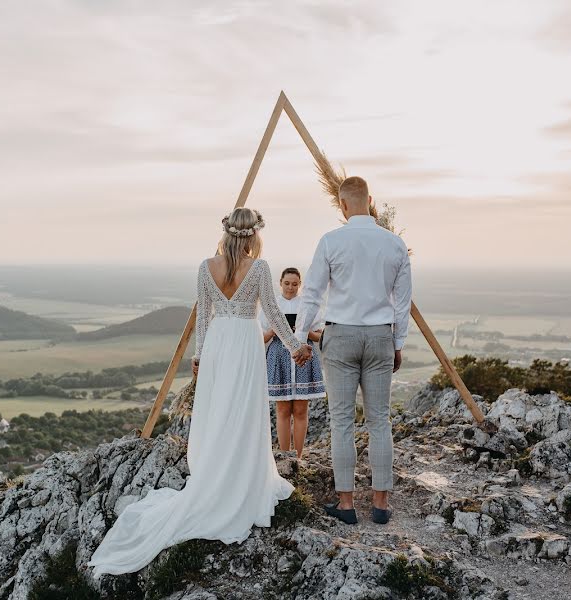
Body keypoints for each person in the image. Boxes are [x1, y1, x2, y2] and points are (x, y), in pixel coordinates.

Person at [88, 207, 313, 577]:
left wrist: (200, 356)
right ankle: (242, 477)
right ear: (253, 235)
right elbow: (273, 313)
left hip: (220, 344)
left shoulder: (205, 266)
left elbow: (205, 317)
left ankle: (217, 473)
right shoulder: (258, 267)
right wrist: (295, 347)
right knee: (242, 413)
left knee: (219, 411)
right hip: (244, 342)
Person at [294, 176, 412, 526]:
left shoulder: (331, 241)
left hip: (340, 337)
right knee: (380, 421)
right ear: (370, 201)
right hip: (379, 336)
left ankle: (346, 504)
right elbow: (402, 302)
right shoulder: (395, 244)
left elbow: (312, 292)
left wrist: (301, 336)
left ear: (343, 205)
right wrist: (398, 343)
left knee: (342, 421)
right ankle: (380, 503)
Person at [259, 267, 326, 459]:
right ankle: (285, 455)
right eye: (287, 283)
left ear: (300, 285)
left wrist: (302, 330)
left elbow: (320, 336)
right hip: (278, 357)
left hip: (303, 358)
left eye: (295, 284)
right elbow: (260, 338)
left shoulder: (307, 305)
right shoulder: (271, 305)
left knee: (300, 409)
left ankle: (298, 456)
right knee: (282, 409)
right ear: (280, 283)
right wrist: (274, 330)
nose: (290, 287)